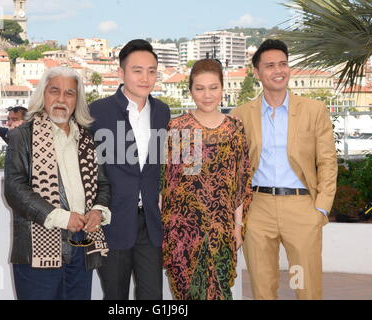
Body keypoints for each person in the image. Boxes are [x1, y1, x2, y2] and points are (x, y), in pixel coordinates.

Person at [231, 39, 338, 300]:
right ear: (257, 73)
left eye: (283, 64)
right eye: (270, 66)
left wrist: (320, 209)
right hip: (258, 210)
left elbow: (327, 161)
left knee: (305, 286)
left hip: (301, 209)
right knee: (263, 288)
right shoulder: (241, 115)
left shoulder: (314, 110)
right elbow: (234, 169)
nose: (278, 70)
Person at [4, 66, 111, 300]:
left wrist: (98, 211)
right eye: (55, 91)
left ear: (77, 100)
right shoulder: (21, 136)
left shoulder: (87, 139)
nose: (61, 99)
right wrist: (63, 217)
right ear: (43, 95)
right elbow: (14, 189)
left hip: (82, 244)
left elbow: (103, 184)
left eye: (70, 93)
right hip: (37, 248)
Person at [162, 59, 253, 300]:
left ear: (223, 89)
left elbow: (240, 180)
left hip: (221, 228)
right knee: (186, 294)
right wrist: (169, 229)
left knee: (219, 291)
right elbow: (170, 183)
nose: (207, 95)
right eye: (199, 88)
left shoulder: (234, 128)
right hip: (184, 230)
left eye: (213, 87)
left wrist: (237, 226)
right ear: (191, 90)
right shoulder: (178, 127)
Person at [89, 39, 170, 300]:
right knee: (115, 298)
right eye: (137, 70)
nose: (146, 78)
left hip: (150, 222)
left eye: (152, 71)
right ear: (121, 72)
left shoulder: (162, 112)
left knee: (152, 297)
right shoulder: (97, 112)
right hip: (112, 223)